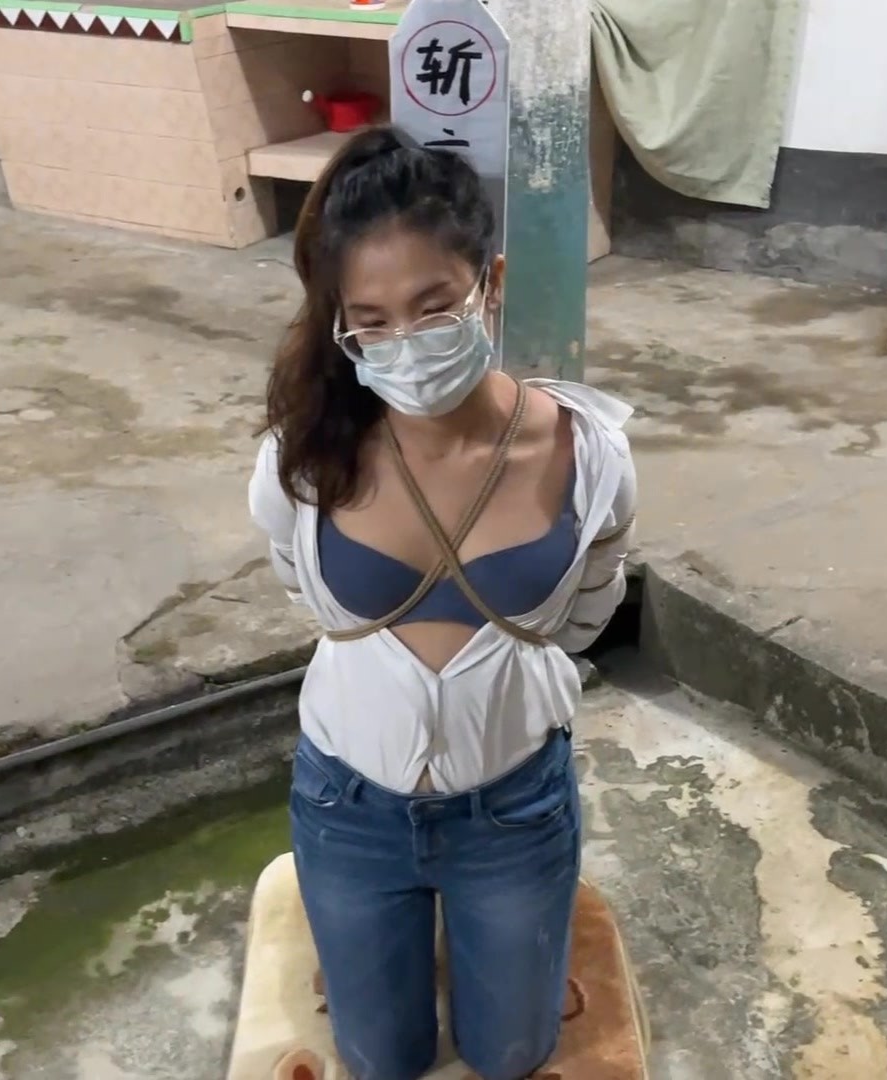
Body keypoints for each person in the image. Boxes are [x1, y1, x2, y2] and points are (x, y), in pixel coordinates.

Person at [248, 126, 638, 1080]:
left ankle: (506, 963)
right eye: (371, 321)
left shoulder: (587, 456)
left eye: (433, 307)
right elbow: (307, 592)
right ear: (342, 328)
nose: (406, 344)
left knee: (512, 1055)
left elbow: (588, 612)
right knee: (382, 1061)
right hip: (347, 806)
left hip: (513, 808)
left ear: (489, 284)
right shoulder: (303, 461)